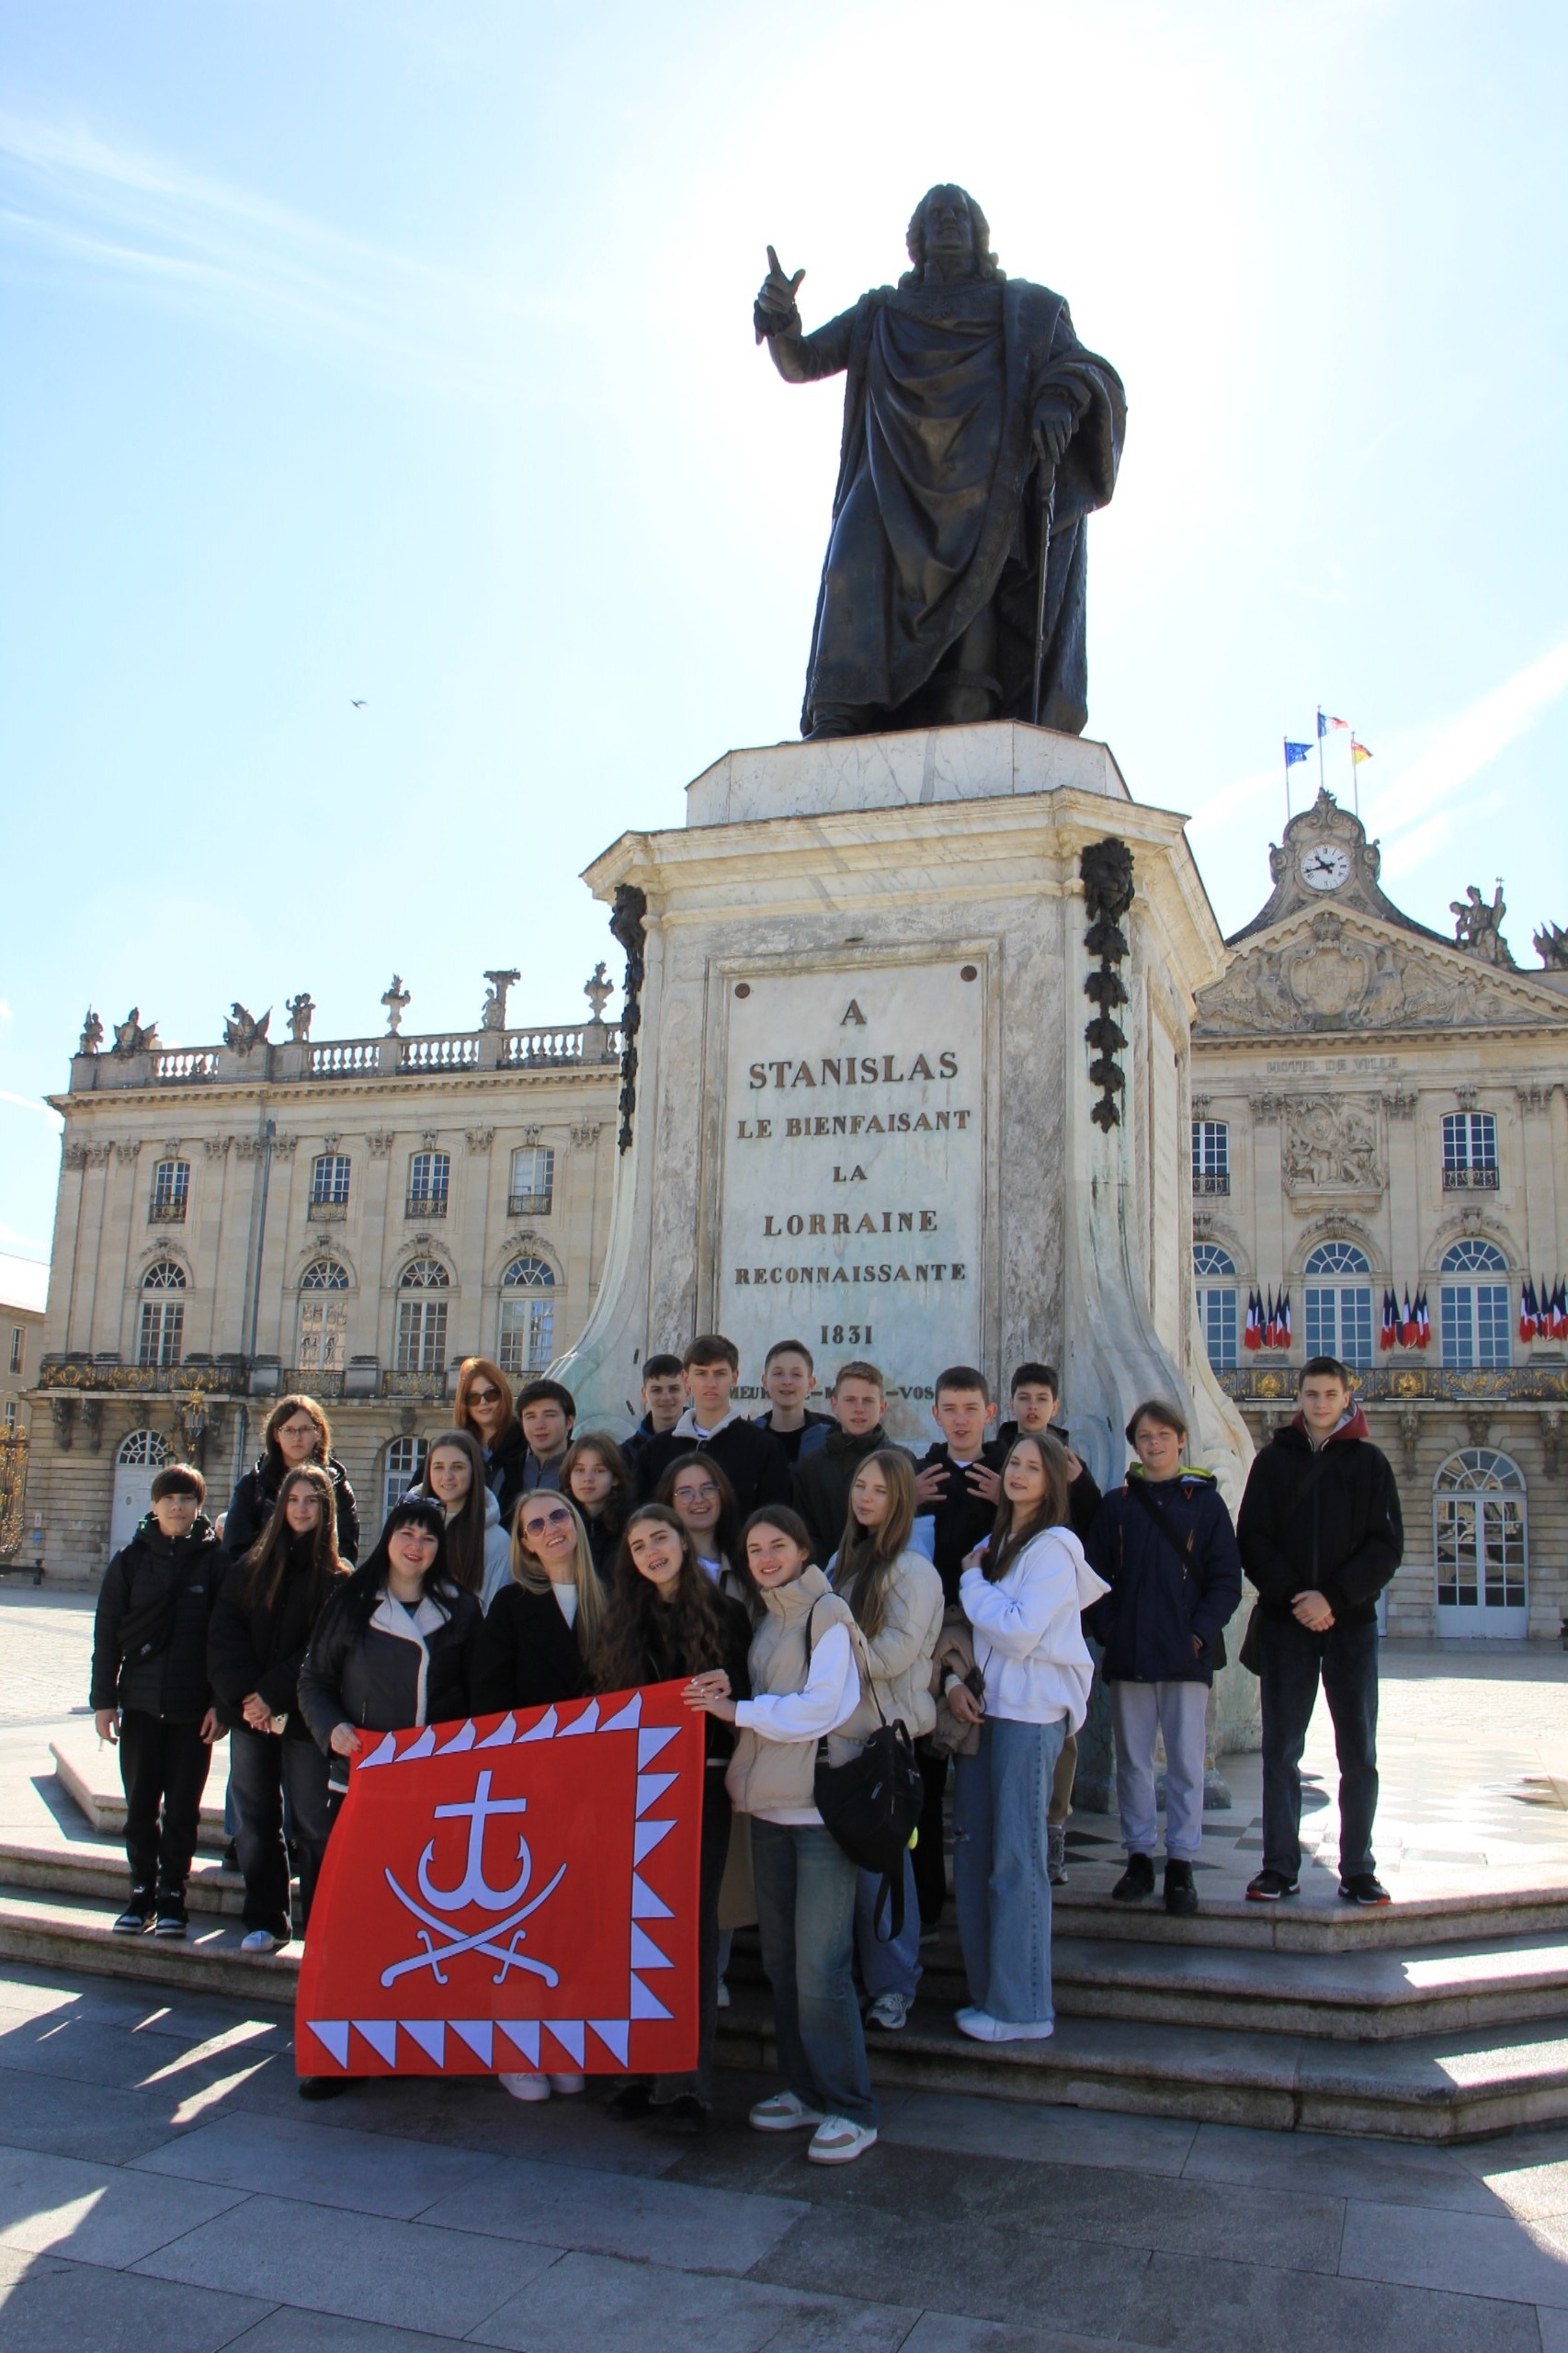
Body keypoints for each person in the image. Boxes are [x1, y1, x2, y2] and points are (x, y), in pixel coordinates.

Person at [687, 1506, 878, 2165]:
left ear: (803, 1550)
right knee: (783, 1965)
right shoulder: (770, 1617)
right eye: (755, 1547)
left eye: (778, 1545)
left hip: (820, 1814)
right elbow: (764, 1697)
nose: (765, 1556)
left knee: (822, 1969)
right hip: (771, 1810)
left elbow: (823, 1707)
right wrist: (729, 1692)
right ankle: (807, 2090)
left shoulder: (827, 1612)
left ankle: (851, 2106)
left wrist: (737, 1709)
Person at [295, 1495, 483, 2099]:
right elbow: (313, 1679)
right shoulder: (351, 1602)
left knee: (414, 1926)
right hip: (360, 1785)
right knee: (348, 1922)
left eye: (428, 1537)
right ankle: (332, 2051)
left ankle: (402, 2040)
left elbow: (477, 1698)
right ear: (388, 1538)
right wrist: (332, 1729)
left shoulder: (459, 1609)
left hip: (431, 1793)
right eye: (406, 1533)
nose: (417, 1546)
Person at [595, 1505, 753, 2132]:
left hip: (704, 1784)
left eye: (660, 1539)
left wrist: (724, 1696)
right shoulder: (623, 1622)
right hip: (638, 1788)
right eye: (638, 1545)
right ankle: (637, 2070)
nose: (651, 1552)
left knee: (690, 1935)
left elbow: (745, 1692)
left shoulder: (726, 1614)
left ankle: (688, 2080)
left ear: (684, 1545)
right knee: (635, 1931)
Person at [951, 1434, 1107, 2042]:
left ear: (1053, 1482)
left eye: (1032, 1468)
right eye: (1013, 1463)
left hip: (1032, 1714)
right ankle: (991, 1993)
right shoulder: (998, 1543)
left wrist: (971, 1584)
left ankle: (1024, 2008)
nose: (1018, 1474)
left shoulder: (1055, 1547)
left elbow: (1017, 1633)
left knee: (1018, 1861)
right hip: (989, 1712)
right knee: (979, 1854)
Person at [1238, 1355, 1403, 1907]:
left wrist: (1332, 1597)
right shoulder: (1272, 1462)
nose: (1320, 1404)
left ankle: (1358, 1867)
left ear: (1346, 1397)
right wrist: (1296, 1597)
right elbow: (1253, 1539)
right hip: (1288, 1626)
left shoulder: (1370, 1463)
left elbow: (1386, 1547)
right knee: (1281, 1751)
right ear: (1299, 1399)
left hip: (1350, 1625)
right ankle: (1279, 1866)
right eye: (1311, 1394)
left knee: (1358, 1752)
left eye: (1330, 1394)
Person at [470, 1490, 606, 2103]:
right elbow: (489, 1699)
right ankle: (517, 2045)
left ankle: (564, 2039)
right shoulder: (511, 1605)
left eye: (558, 1518)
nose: (550, 1529)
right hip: (531, 1788)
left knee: (579, 1922)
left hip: (597, 1791)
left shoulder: (612, 1603)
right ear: (522, 1542)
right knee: (524, 1922)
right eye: (536, 1525)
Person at [1085, 1403, 1242, 1918]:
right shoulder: (1117, 1505)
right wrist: (1108, 1628)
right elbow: (1095, 1578)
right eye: (1144, 1436)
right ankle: (1138, 1856)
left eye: (1162, 1435)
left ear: (1180, 1440)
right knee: (1130, 1761)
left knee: (1185, 1762)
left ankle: (1181, 1860)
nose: (1152, 1444)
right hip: (1129, 1649)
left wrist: (1198, 1634)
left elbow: (1225, 1580)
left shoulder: (1206, 1505)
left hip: (1183, 1654)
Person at [208, 1461, 347, 1950]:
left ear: (325, 1509)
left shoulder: (337, 1578)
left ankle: (322, 1921)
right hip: (251, 1715)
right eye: (294, 1500)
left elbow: (322, 1650)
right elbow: (223, 1637)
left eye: (312, 1501)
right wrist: (248, 1698)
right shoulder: (249, 1567)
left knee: (311, 1821)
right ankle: (266, 1916)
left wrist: (271, 1694)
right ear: (280, 1505)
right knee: (253, 1816)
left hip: (304, 1719)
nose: (302, 1509)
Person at [829, 1449, 942, 2031]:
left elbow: (894, 1655)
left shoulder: (913, 1570)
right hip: (835, 1740)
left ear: (901, 1500)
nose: (866, 1498)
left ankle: (897, 1983)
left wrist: (829, 1640)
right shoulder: (843, 1559)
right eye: (861, 1486)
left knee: (884, 1870)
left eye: (880, 1490)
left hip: (879, 1741)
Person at [91, 1463, 226, 1940]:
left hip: (194, 1710)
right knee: (140, 1806)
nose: (177, 1506)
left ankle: (173, 1896)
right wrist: (103, 1701)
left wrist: (220, 1704)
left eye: (187, 1498)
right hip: (142, 1705)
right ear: (154, 1505)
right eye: (169, 1497)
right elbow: (106, 1634)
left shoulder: (215, 1562)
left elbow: (225, 1639)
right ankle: (140, 1892)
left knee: (184, 1810)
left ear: (198, 1507)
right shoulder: (129, 1562)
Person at [994, 1363, 1104, 1887]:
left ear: (1055, 1405)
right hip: (1000, 1608)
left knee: (1059, 1729)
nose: (1033, 1406)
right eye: (1024, 1397)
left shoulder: (1071, 1460)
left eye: (1042, 1398)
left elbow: (1095, 1523)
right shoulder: (1000, 1455)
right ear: (1012, 1403)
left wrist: (1080, 1485)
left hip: (1052, 1610)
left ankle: (1054, 1827)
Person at [910, 1366, 1007, 1925]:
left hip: (994, 1643)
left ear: (989, 1413)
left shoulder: (1011, 1474)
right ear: (937, 1414)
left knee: (982, 1792)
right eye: (951, 1408)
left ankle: (983, 1911)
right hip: (930, 1644)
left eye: (972, 1408)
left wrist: (1010, 1501)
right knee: (925, 1785)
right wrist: (909, 1497)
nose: (962, 1419)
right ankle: (925, 1909)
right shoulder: (922, 1475)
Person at [633, 1335, 792, 1516]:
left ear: (734, 1378)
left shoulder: (765, 1449)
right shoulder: (654, 1452)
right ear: (686, 1379)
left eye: (720, 1373)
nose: (711, 1384)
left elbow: (775, 1521)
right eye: (701, 1373)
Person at [223, 1394, 359, 1564]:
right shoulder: (252, 1486)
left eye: (305, 1429)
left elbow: (345, 1551)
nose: (297, 1437)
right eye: (289, 1430)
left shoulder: (337, 1485)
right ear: (276, 1435)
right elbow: (235, 1551)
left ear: (318, 1432)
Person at [793, 1359, 902, 1569]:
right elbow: (804, 1531)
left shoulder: (903, 1463)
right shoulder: (812, 1466)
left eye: (868, 1401)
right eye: (850, 1400)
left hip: (880, 1579)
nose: (859, 1409)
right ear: (834, 1405)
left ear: (882, 1407)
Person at [414, 1428, 511, 1606]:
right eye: (439, 1467)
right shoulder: (405, 1528)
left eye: (457, 1467)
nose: (447, 1476)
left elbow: (492, 1614)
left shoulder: (497, 1541)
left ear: (474, 1471)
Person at [453, 1358, 529, 1533]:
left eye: (491, 1394)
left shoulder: (525, 1445)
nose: (483, 1403)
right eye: (473, 1397)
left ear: (502, 1394)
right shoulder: (454, 1448)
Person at [656, 1452, 745, 1600]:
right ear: (669, 1501)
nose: (698, 1499)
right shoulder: (659, 1566)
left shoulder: (748, 1562)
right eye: (685, 1492)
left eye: (708, 1488)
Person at [562, 1432, 633, 1584]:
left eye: (599, 1470)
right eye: (579, 1470)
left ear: (615, 1478)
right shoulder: (559, 1523)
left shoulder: (631, 1526)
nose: (587, 1478)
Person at [753, 1339, 833, 1467]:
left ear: (811, 1384)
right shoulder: (750, 1437)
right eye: (778, 1373)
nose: (787, 1382)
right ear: (764, 1381)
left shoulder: (830, 1438)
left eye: (796, 1374)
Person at [621, 1353, 687, 1472]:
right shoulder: (627, 1454)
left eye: (674, 1389)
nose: (666, 1397)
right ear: (644, 1394)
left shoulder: (705, 1443)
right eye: (656, 1390)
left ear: (687, 1390)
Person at [517, 1378, 576, 1494]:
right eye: (531, 1416)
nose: (540, 1425)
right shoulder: (506, 1473)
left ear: (569, 1422)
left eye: (549, 1415)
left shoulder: (588, 1471)